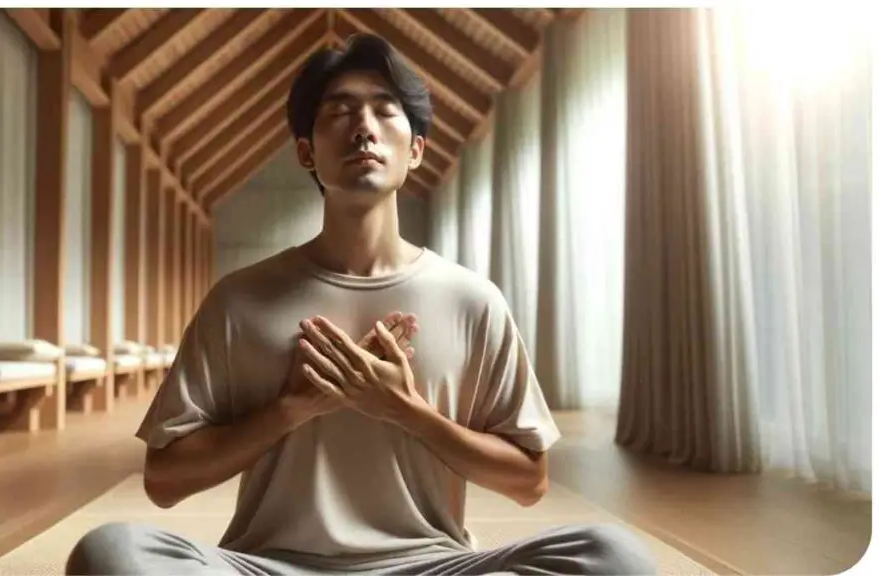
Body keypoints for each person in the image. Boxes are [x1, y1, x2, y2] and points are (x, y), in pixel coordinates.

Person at [66, 33, 657, 575]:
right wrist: (291, 409)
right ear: (306, 152)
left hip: (429, 566)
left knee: (616, 557)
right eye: (339, 112)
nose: (363, 127)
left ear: (416, 149)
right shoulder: (240, 299)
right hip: (269, 566)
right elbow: (164, 480)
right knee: (112, 553)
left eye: (383, 109)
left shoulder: (473, 299)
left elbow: (529, 481)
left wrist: (402, 407)